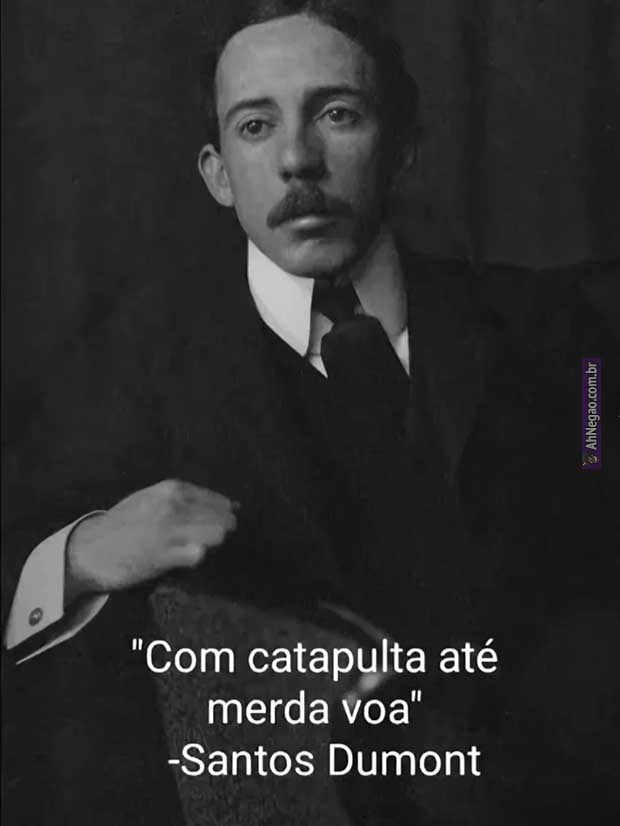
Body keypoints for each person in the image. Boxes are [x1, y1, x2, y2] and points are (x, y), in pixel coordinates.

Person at [3, 2, 619, 825]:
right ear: (218, 175)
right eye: (256, 127)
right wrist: (84, 552)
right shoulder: (138, 359)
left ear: (403, 146)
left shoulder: (555, 334)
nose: (298, 160)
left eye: (337, 114)